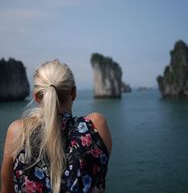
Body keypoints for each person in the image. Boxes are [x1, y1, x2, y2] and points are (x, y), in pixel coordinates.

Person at [1, 59, 112, 193]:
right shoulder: (96, 125)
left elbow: (6, 189)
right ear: (73, 93)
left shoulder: (18, 132)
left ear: (36, 97)